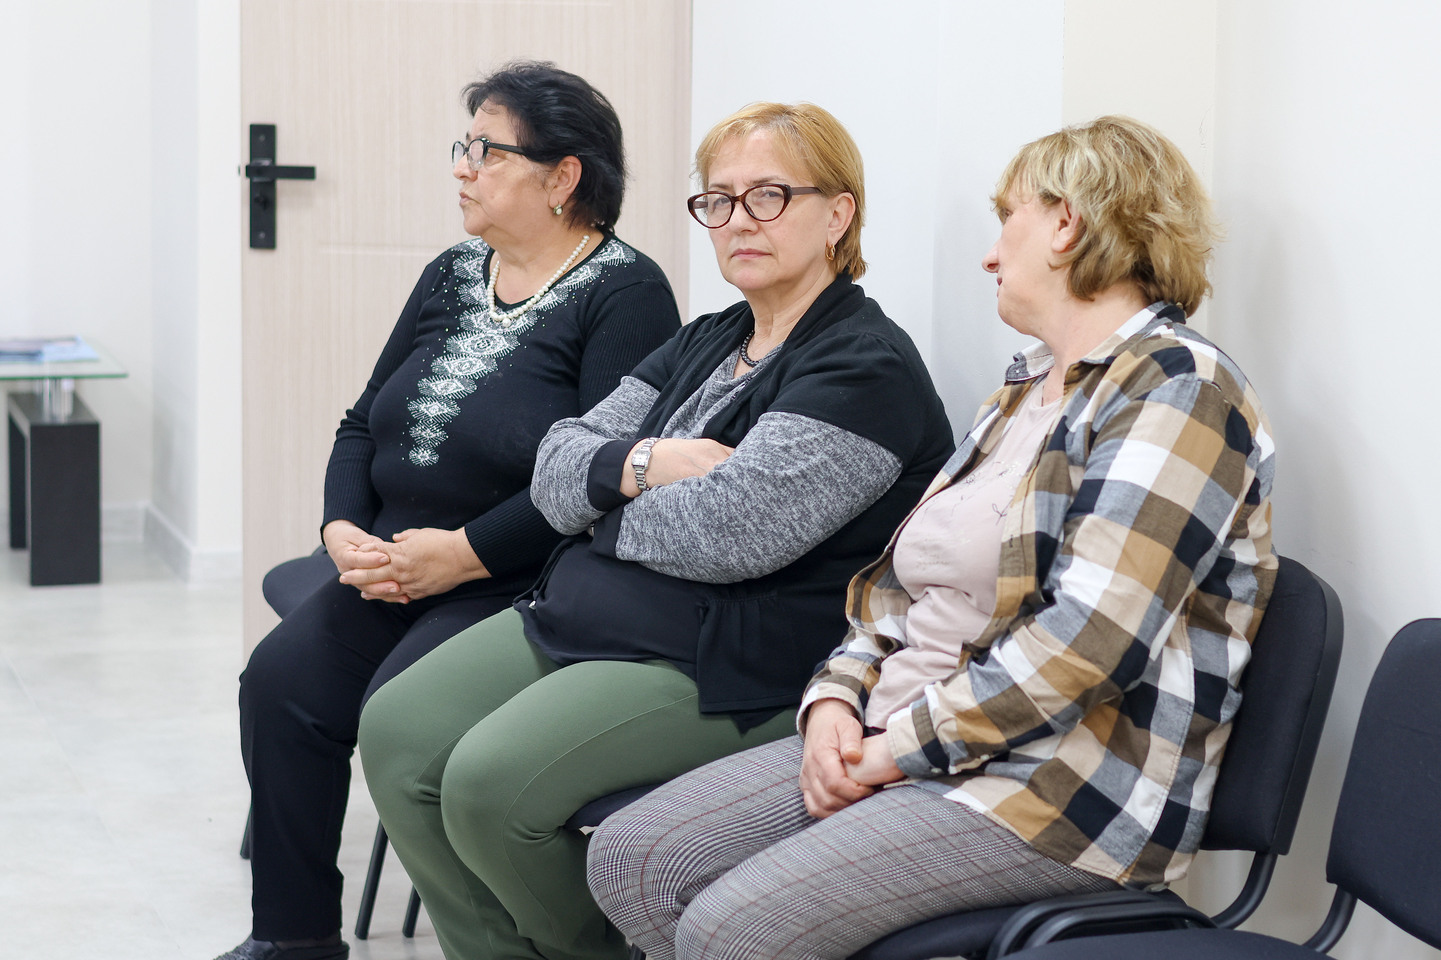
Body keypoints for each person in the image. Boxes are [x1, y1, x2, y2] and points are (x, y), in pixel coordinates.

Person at [585, 115, 1278, 960]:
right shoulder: (1023, 390)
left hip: (1052, 787)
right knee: (632, 860)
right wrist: (833, 704)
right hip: (907, 731)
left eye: (1007, 220)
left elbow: (1087, 643)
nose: (989, 255)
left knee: (729, 930)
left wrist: (893, 750)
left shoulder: (1179, 389)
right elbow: (895, 590)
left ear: (1065, 224)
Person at [357, 101, 955, 960]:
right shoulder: (710, 339)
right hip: (593, 615)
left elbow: (728, 533)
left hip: (724, 660)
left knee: (488, 783)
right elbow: (554, 467)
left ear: (837, 214)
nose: (737, 221)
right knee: (396, 732)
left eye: (768, 196)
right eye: (718, 200)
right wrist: (644, 466)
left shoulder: (864, 367)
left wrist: (601, 498)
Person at [217, 61, 681, 960]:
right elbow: (362, 422)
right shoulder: (453, 271)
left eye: (487, 151)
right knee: (278, 686)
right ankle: (293, 937)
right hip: (390, 564)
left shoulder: (627, 294)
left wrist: (464, 554)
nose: (463, 168)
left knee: (398, 718)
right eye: (463, 147)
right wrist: (340, 529)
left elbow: (595, 478)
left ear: (563, 176)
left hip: (513, 584)